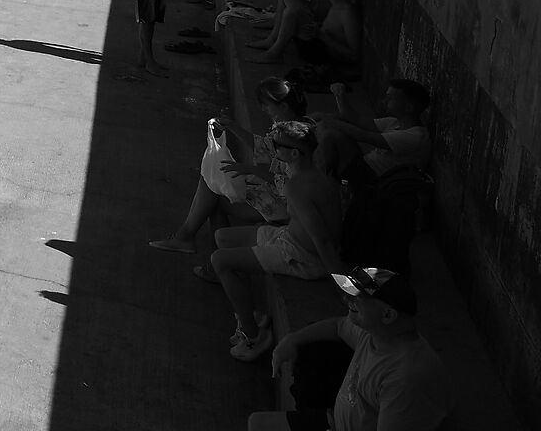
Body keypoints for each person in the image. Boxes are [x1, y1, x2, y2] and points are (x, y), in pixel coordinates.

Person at [249, 267, 452, 431]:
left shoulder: (405, 377)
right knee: (256, 424)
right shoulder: (377, 333)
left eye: (357, 299)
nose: (347, 300)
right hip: (334, 420)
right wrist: (291, 340)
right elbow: (339, 326)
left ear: (388, 315)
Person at [209, 131, 351, 361]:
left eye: (277, 146)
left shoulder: (299, 186)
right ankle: (252, 315)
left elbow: (323, 240)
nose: (273, 148)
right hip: (288, 237)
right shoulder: (311, 174)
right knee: (222, 237)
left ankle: (252, 336)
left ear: (294, 153)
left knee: (220, 260)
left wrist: (344, 286)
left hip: (302, 256)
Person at [152, 75, 309, 253]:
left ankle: (203, 249)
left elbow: (292, 185)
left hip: (286, 206)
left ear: (284, 107)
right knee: (212, 182)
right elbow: (265, 147)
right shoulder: (289, 128)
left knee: (215, 198)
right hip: (273, 192)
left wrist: (251, 170)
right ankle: (191, 241)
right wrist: (233, 127)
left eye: (266, 105)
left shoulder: (297, 138)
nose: (264, 109)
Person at [250, 0, 362, 77]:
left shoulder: (347, 13)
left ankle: (274, 53)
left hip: (320, 53)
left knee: (293, 10)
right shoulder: (334, 4)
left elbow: (354, 56)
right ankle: (272, 38)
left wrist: (321, 35)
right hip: (315, 41)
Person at [319, 78, 433, 187]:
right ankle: (325, 176)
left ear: (409, 108)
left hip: (374, 179)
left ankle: (322, 178)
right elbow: (355, 119)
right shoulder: (394, 122)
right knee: (329, 124)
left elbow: (363, 136)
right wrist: (339, 94)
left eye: (390, 98)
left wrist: (333, 122)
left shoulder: (416, 136)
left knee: (331, 134)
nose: (384, 101)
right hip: (363, 166)